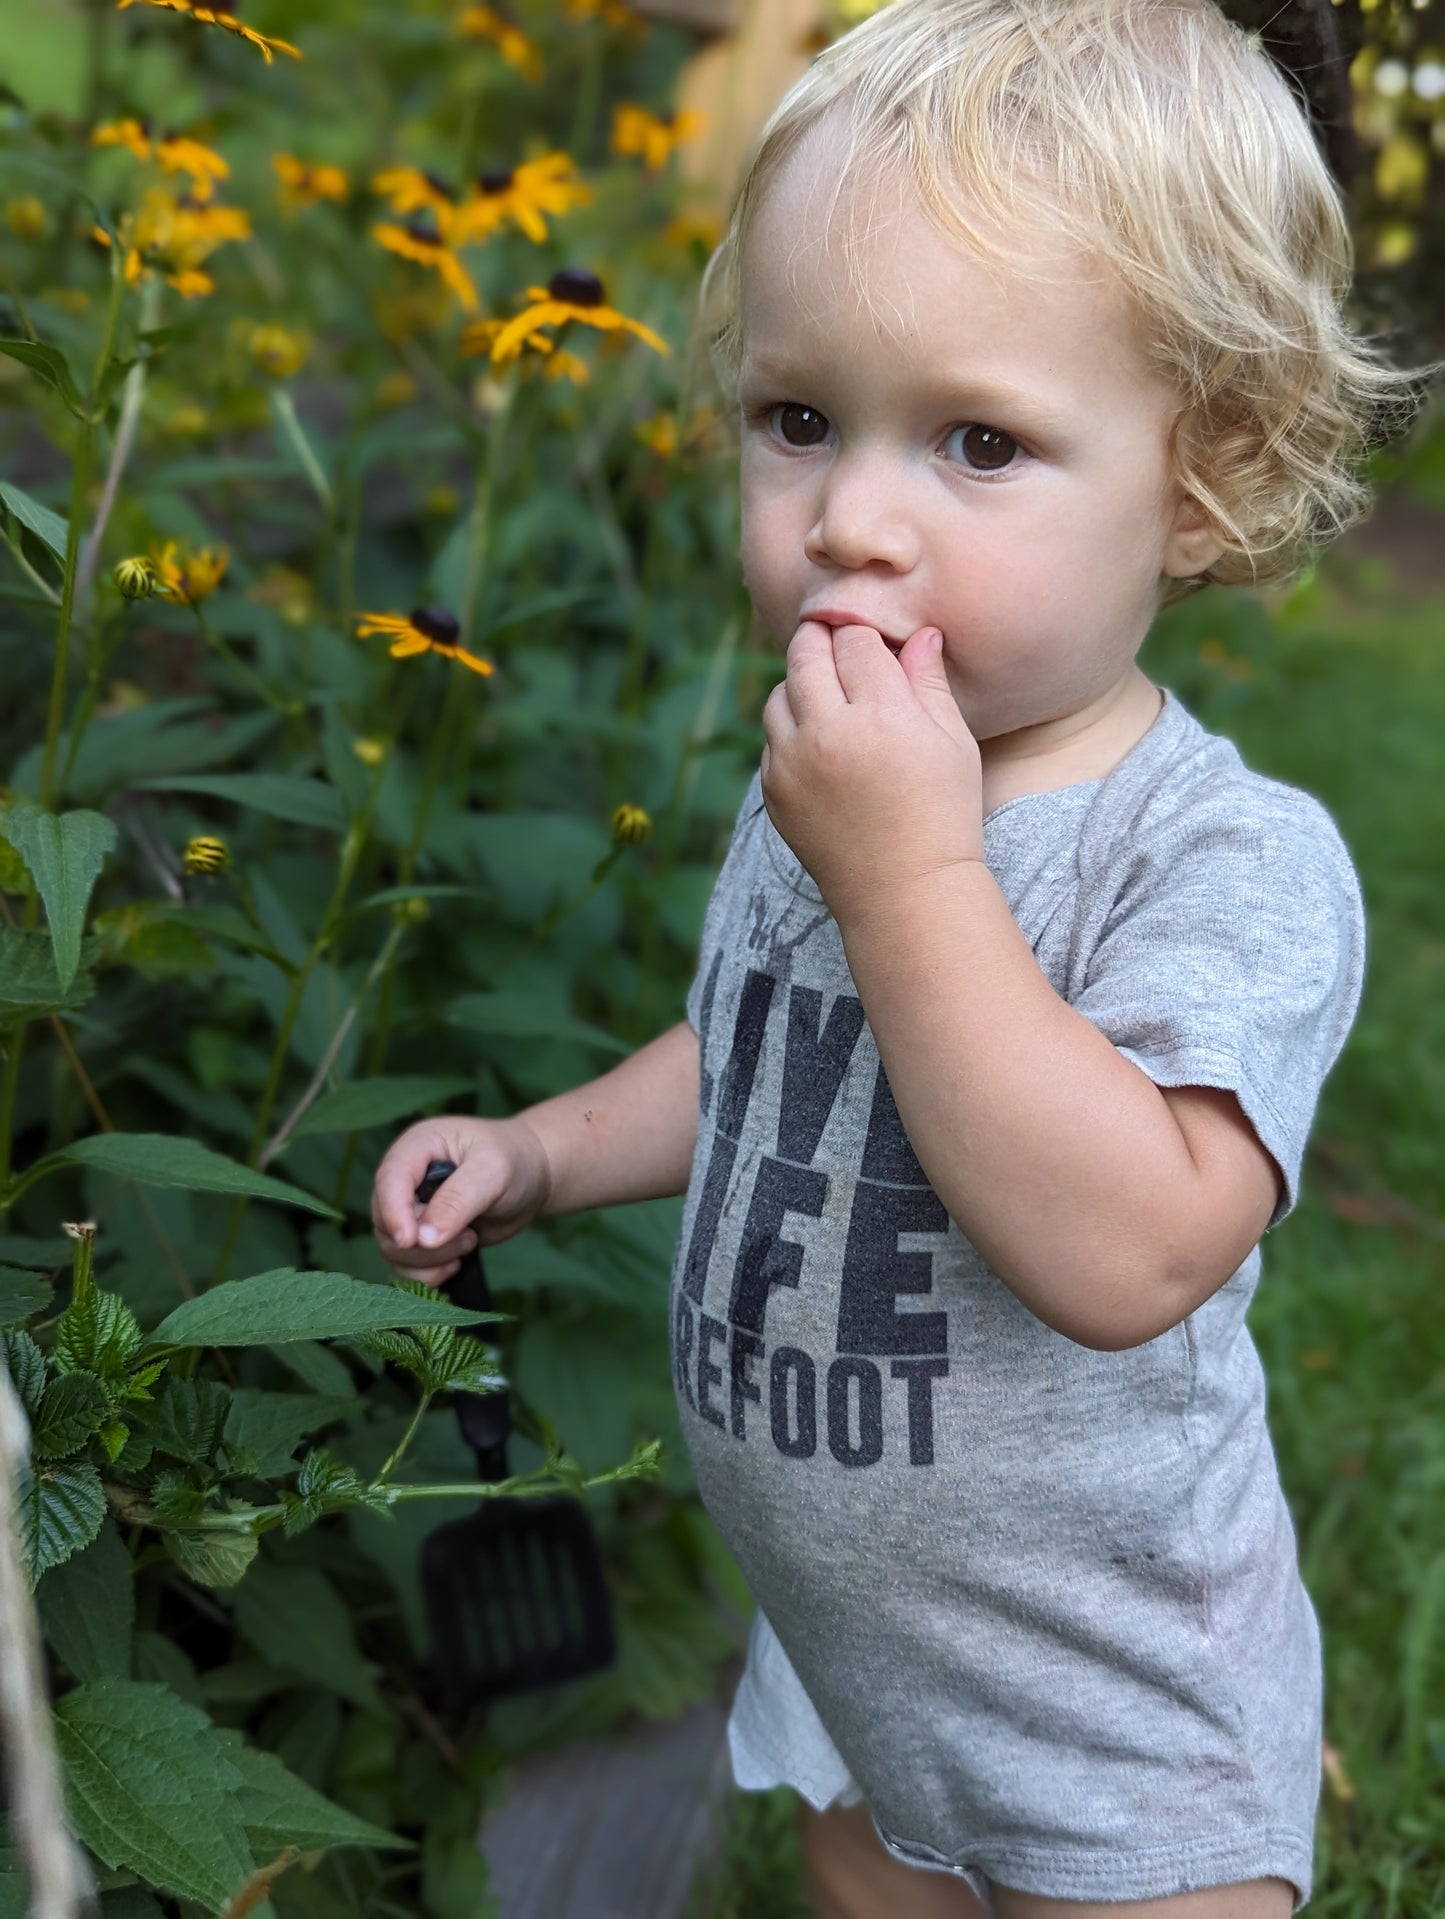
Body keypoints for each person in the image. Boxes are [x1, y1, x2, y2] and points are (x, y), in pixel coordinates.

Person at [371, 2, 1435, 1912]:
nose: (849, 517)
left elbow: (1132, 1248)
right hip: (853, 1660)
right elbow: (761, 1049)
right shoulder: (849, 793)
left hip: (1109, 1713)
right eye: (800, 421)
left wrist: (910, 882)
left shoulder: (1213, 859)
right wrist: (545, 1151)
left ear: (1203, 477)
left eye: (975, 441)